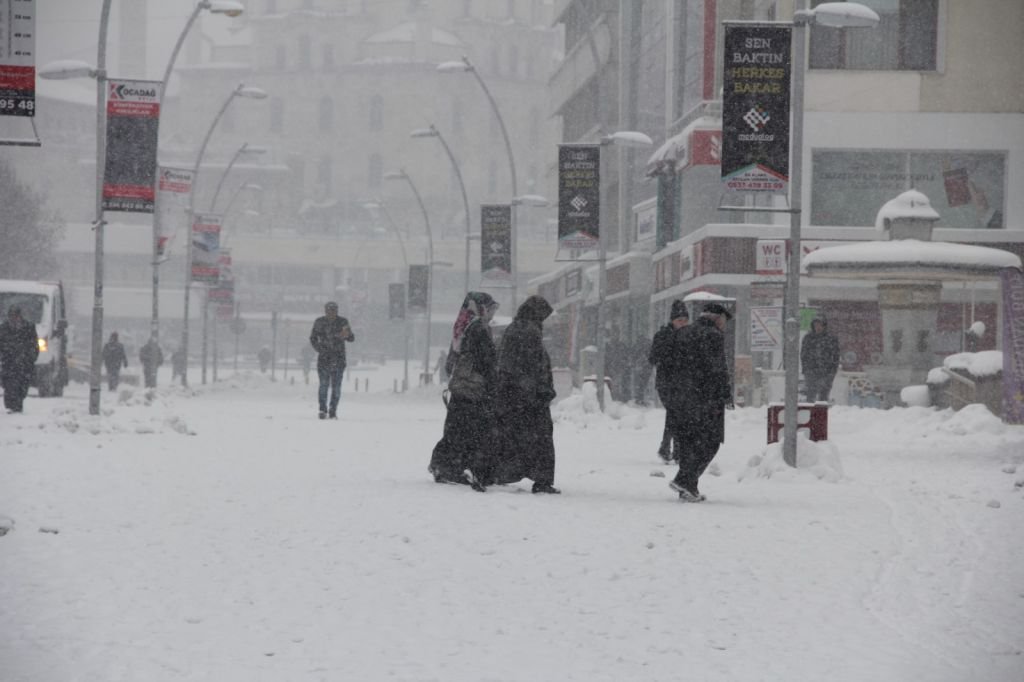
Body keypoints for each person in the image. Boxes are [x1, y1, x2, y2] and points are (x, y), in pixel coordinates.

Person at [428, 292, 500, 490]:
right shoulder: (477, 328)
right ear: (481, 308)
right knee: (470, 430)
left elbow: (454, 359)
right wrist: (494, 381)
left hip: (461, 387)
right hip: (473, 387)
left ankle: (443, 465)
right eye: (491, 308)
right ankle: (463, 468)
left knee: (456, 428)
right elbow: (486, 360)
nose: (493, 313)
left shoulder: (463, 324)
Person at [665, 302, 733, 503]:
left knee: (688, 442)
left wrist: (671, 390)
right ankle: (685, 480)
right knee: (710, 442)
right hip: (705, 398)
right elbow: (718, 369)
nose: (724, 325)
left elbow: (669, 363)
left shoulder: (683, 333)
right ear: (716, 318)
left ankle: (688, 487)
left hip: (681, 397)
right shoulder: (713, 336)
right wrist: (725, 394)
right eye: (723, 320)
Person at [493, 295, 561, 494]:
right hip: (530, 396)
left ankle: (503, 471)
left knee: (513, 436)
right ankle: (542, 480)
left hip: (513, 395)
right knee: (541, 439)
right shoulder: (530, 331)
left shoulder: (514, 328)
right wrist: (541, 391)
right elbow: (534, 366)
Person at [648, 300, 689, 463]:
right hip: (667, 382)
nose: (683, 324)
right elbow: (653, 358)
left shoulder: (691, 335)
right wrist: (669, 356)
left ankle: (667, 448)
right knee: (676, 413)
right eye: (680, 320)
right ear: (672, 320)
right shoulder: (662, 335)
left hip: (684, 383)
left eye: (685, 320)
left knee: (676, 414)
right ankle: (675, 451)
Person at [309, 301, 355, 420]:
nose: (331, 313)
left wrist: (346, 335)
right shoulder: (319, 322)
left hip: (339, 358)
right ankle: (322, 409)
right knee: (323, 385)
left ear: (337, 311)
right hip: (324, 358)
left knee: (336, 387)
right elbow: (313, 338)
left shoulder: (342, 322)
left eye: (333, 311)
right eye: (329, 311)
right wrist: (320, 349)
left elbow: (351, 338)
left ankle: (333, 409)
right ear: (325, 311)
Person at [0, 305, 39, 413]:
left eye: (15, 316)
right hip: (9, 363)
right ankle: (12, 406)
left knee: (22, 386)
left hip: (24, 363)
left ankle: (18, 403)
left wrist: (31, 358)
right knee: (9, 385)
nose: (13, 318)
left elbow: (34, 345)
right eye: (11, 316)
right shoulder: (3, 328)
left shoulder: (29, 327)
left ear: (19, 316)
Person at [800, 317, 840, 403]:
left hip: (826, 371)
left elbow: (836, 356)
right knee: (811, 394)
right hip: (811, 370)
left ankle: (821, 413)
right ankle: (810, 413)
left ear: (824, 326)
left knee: (824, 395)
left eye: (820, 325)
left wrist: (832, 371)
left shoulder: (831, 339)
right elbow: (804, 355)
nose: (817, 327)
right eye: (815, 325)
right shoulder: (808, 338)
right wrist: (806, 369)